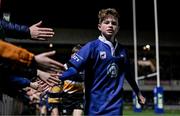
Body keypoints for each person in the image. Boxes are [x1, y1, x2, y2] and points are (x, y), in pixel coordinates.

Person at [58, 8, 146, 115]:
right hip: (94, 106)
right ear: (99, 26)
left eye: (114, 23)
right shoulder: (91, 47)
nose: (110, 25)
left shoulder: (123, 51)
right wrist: (56, 78)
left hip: (115, 106)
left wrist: (138, 93)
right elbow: (73, 68)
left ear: (117, 28)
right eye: (106, 22)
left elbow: (128, 74)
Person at [62, 44, 84, 116]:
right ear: (71, 56)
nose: (77, 57)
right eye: (75, 55)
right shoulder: (65, 67)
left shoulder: (85, 68)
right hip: (67, 97)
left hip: (79, 97)